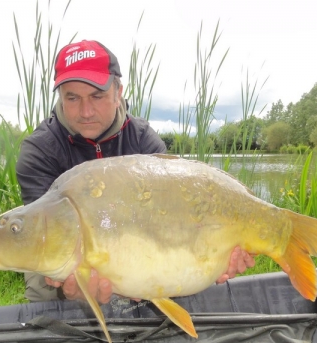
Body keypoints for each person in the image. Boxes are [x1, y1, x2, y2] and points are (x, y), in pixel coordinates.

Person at [16, 39, 255, 304]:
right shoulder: (40, 150)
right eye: (72, 98)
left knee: (163, 278)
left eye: (97, 96)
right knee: (49, 282)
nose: (85, 111)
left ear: (118, 92)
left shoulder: (143, 141)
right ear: (60, 96)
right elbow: (42, 235)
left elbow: (173, 223)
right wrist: (70, 289)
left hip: (134, 247)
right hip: (63, 259)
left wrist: (213, 259)